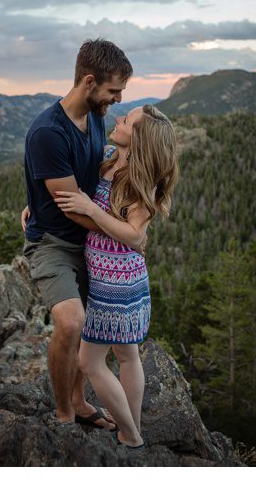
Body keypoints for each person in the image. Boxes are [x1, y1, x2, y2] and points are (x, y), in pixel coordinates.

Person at [19, 39, 131, 432]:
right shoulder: (48, 132)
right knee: (71, 322)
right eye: (114, 90)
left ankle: (81, 402)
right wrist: (125, 234)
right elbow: (74, 209)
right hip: (53, 243)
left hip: (90, 244)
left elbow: (89, 178)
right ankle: (64, 414)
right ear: (89, 81)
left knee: (95, 325)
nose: (118, 99)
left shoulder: (96, 117)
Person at [53, 104, 178, 450]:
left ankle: (131, 435)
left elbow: (135, 235)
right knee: (126, 353)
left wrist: (92, 209)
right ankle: (131, 426)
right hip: (109, 274)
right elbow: (68, 186)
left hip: (117, 282)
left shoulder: (142, 180)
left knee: (89, 361)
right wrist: (38, 209)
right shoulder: (108, 157)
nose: (119, 119)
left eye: (128, 121)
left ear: (140, 139)